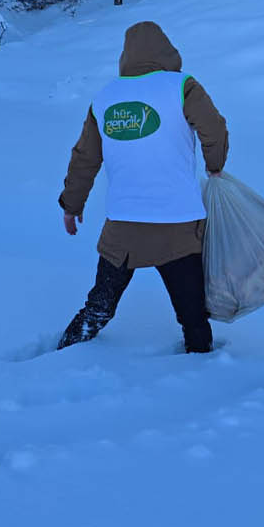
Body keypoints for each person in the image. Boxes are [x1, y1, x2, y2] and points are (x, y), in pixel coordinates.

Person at [57, 21, 228, 354]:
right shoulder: (182, 86)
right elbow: (215, 129)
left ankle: (65, 350)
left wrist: (71, 206)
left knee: (99, 307)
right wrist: (215, 166)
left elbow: (84, 159)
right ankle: (203, 371)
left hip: (123, 226)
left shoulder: (106, 98)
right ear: (167, 51)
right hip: (177, 225)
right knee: (192, 316)